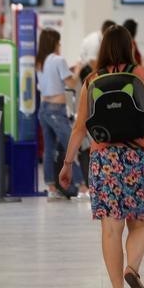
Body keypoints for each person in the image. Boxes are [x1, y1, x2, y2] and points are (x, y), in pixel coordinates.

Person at [60, 25, 144, 288]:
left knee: (111, 228)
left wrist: (67, 163)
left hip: (104, 160)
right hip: (137, 158)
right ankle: (132, 268)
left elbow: (79, 127)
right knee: (139, 222)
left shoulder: (92, 80)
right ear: (130, 46)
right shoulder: (143, 75)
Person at [36, 28, 87, 199]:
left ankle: (51, 188)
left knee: (49, 150)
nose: (60, 45)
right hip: (56, 111)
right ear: (54, 43)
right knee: (71, 147)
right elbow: (71, 83)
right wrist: (78, 69)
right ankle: (82, 187)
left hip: (43, 109)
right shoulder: (58, 60)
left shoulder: (39, 62)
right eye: (58, 42)